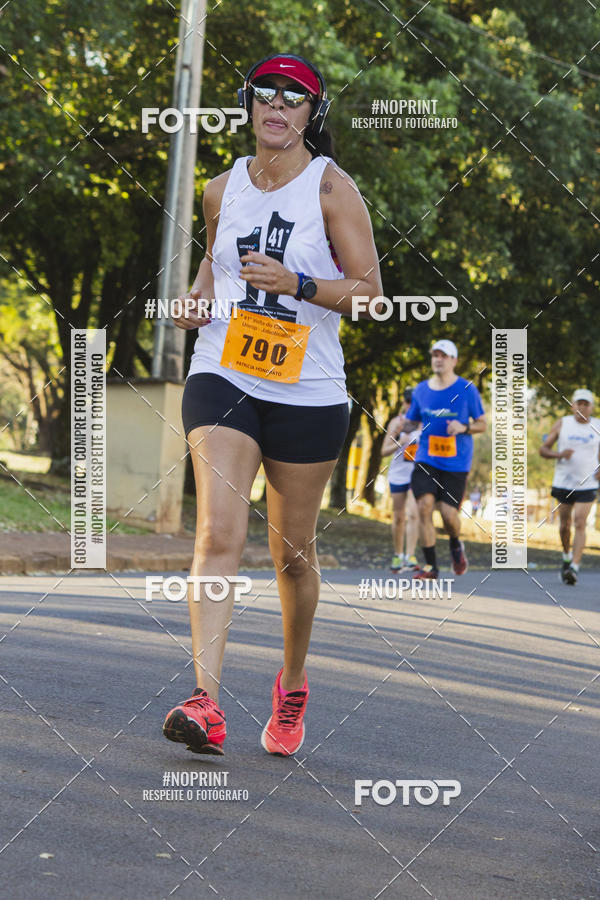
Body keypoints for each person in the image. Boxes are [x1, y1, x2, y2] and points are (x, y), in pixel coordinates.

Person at [161, 54, 383, 756]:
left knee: (292, 556)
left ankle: (291, 683)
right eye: (266, 94)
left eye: (295, 97)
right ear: (250, 105)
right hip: (223, 372)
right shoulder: (221, 188)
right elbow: (214, 262)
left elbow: (371, 293)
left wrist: (298, 283)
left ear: (312, 112)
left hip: (308, 390)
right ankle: (206, 702)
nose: (278, 106)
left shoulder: (332, 190)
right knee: (217, 535)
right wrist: (198, 300)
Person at [398, 339, 486, 579]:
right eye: (435, 355)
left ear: (454, 360)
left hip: (456, 462)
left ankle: (456, 543)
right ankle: (431, 566)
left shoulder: (467, 389)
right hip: (426, 457)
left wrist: (464, 427)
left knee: (448, 515)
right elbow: (412, 420)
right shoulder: (421, 390)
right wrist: (401, 425)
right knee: (424, 507)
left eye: (443, 356)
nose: (438, 359)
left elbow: (482, 424)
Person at [539, 389, 600, 585]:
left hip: (588, 483)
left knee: (580, 522)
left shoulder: (598, 426)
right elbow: (543, 449)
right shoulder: (562, 424)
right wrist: (559, 455)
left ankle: (574, 566)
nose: (581, 407)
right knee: (564, 526)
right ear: (573, 405)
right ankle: (566, 557)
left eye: (586, 404)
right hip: (563, 483)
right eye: (578, 403)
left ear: (591, 407)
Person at [381, 387, 420, 572]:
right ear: (404, 403)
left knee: (414, 514)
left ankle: (410, 555)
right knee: (398, 517)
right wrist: (400, 440)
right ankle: (398, 554)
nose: (411, 406)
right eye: (408, 402)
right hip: (397, 474)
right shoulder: (396, 423)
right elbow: (383, 451)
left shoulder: (424, 423)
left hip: (416, 474)